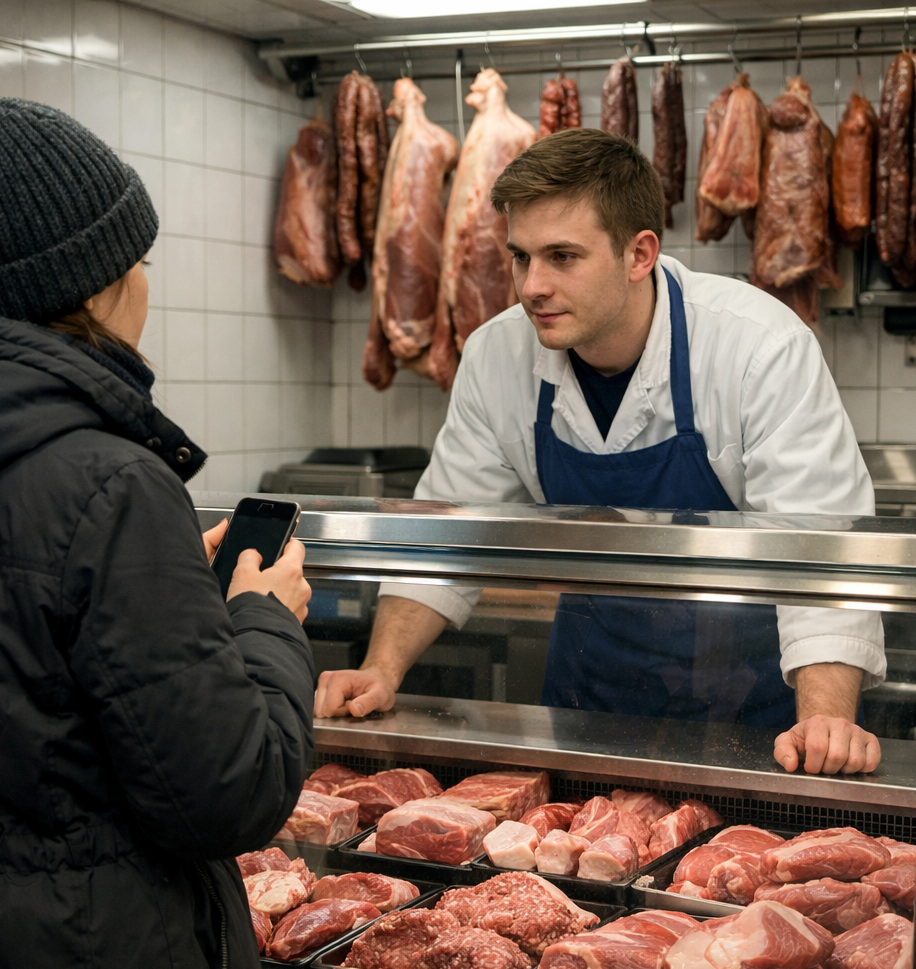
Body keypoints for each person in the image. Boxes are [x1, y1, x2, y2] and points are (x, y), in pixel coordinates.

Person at [0, 99, 313, 969]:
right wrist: (264, 619)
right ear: (95, 283)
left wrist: (164, 590)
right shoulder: (108, 482)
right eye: (140, 261)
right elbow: (230, 793)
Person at [315, 128, 885, 777]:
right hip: (589, 702)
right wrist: (380, 668)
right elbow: (448, 536)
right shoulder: (497, 355)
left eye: (562, 256)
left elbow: (818, 551)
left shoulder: (757, 348)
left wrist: (825, 717)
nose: (532, 285)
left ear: (639, 253)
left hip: (754, 712)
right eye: (520, 256)